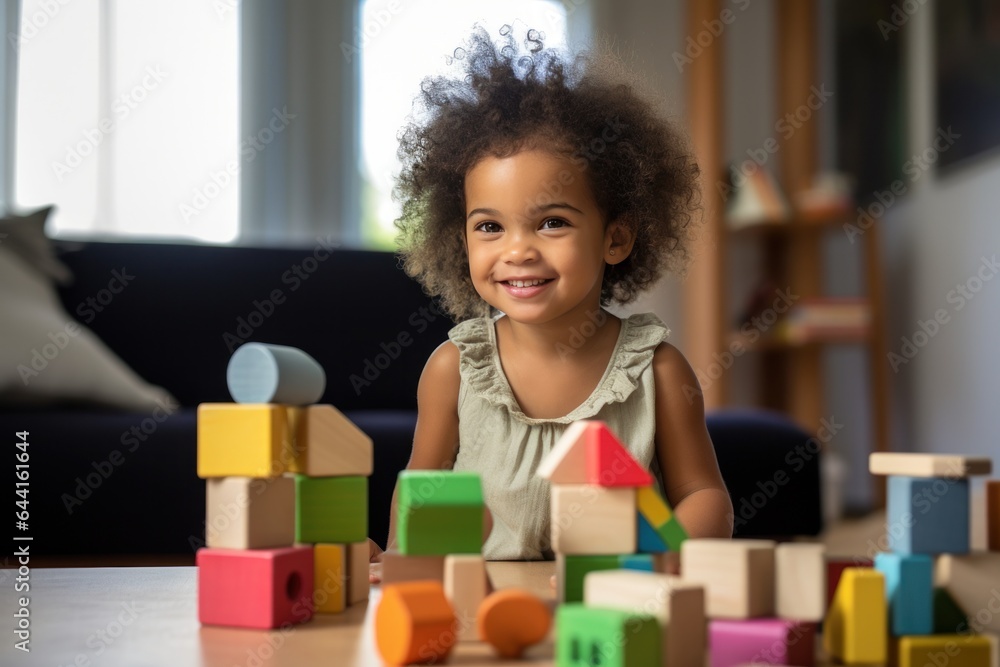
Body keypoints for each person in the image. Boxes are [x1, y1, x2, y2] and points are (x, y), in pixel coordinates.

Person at [368, 24, 732, 582]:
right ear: (458, 238)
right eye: (489, 226)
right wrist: (402, 559)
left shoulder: (656, 370)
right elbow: (421, 487)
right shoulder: (454, 369)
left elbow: (704, 493)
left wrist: (668, 555)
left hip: (610, 599)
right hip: (484, 603)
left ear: (616, 238)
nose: (518, 250)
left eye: (552, 222)